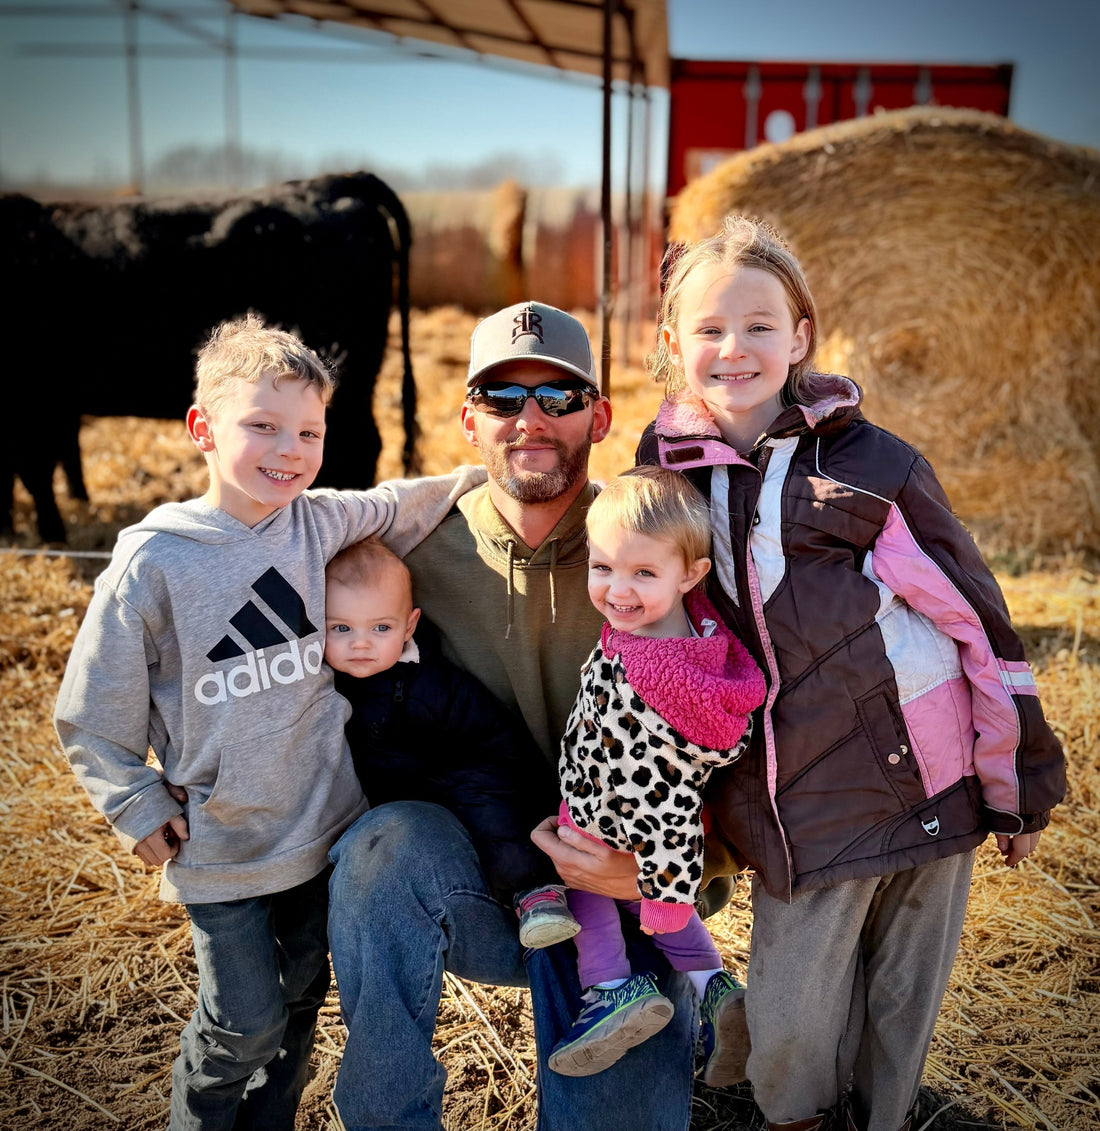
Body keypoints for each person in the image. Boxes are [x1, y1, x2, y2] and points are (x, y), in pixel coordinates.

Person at [636, 215, 1067, 1131]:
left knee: (896, 1022)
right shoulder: (665, 476)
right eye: (709, 329)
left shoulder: (875, 466)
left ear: (801, 336)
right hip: (797, 806)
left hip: (931, 782)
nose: (735, 347)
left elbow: (976, 621)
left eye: (760, 325)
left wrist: (1018, 779)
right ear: (673, 345)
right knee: (793, 1044)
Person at [53, 315, 481, 1131]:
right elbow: (88, 711)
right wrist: (137, 804)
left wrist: (489, 477)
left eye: (308, 431)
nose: (289, 448)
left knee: (294, 1019)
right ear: (201, 429)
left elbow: (403, 501)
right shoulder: (154, 561)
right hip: (222, 847)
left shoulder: (315, 522)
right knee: (242, 1019)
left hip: (320, 832)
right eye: (262, 426)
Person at [327, 301, 726, 1131]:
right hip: (484, 877)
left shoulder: (649, 552)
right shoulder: (407, 555)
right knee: (382, 846)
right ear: (469, 418)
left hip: (630, 886)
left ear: (601, 415)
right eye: (503, 397)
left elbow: (741, 734)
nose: (531, 419)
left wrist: (669, 867)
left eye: (560, 396)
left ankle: (683, 1006)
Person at [546, 466, 766, 1083]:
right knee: (660, 903)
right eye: (604, 568)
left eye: (643, 573)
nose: (619, 590)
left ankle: (611, 987)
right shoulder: (699, 639)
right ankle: (714, 987)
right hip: (669, 821)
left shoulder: (647, 660)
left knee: (584, 886)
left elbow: (628, 741)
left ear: (692, 575)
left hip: (609, 804)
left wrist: (587, 815)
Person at [323, 537, 580, 945]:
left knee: (495, 823)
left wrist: (514, 782)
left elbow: (494, 733)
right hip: (403, 799)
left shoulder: (432, 680)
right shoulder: (320, 685)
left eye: (381, 628)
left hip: (467, 772)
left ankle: (536, 893)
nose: (360, 643)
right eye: (340, 628)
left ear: (409, 626)